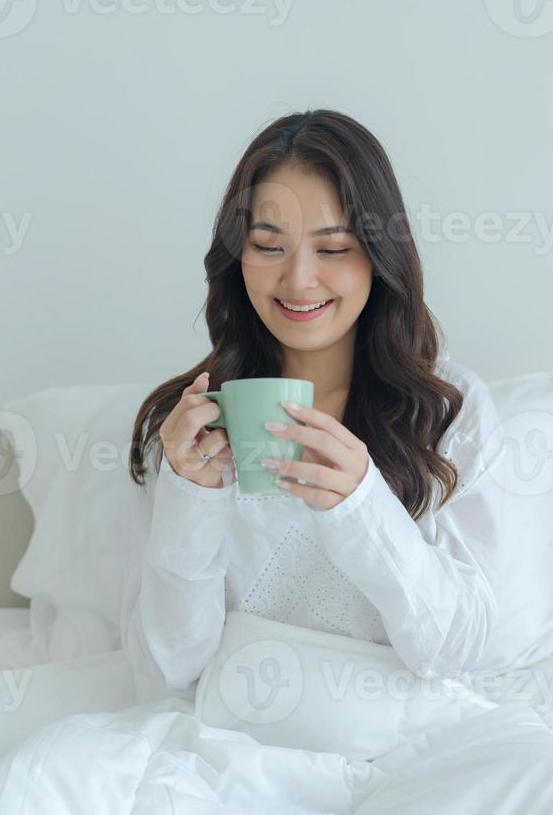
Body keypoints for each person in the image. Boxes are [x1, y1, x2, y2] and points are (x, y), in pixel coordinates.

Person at [124, 109, 517, 699]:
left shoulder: (446, 412)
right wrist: (191, 499)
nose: (299, 280)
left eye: (333, 248)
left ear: (381, 256)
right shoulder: (194, 425)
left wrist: (363, 506)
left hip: (400, 742)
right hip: (236, 743)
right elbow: (167, 671)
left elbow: (462, 650)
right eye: (268, 246)